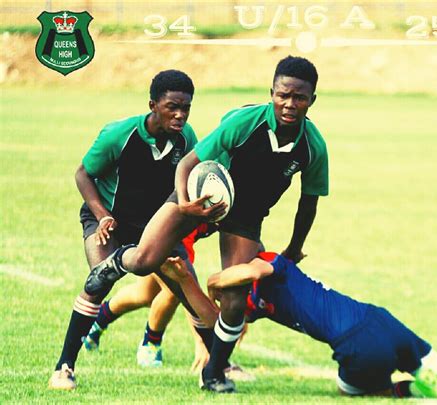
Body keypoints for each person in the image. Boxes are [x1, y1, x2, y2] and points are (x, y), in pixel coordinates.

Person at [84, 55, 329, 392]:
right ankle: (116, 312)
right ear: (271, 93)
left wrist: (294, 247)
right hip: (200, 200)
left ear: (312, 100)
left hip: (244, 217)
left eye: (299, 97)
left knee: (234, 294)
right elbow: (187, 163)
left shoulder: (313, 146)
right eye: (283, 95)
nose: (289, 104)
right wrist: (185, 205)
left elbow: (309, 202)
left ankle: (214, 369)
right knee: (151, 270)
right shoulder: (244, 122)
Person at [49, 69, 217, 390]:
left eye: (185, 108)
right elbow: (83, 173)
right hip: (109, 220)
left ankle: (217, 370)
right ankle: (63, 368)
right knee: (99, 280)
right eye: (172, 107)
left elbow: (189, 181)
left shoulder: (186, 138)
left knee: (186, 287)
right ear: (153, 105)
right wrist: (101, 216)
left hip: (154, 225)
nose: (180, 115)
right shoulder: (119, 134)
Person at [159, 253, 437, 399]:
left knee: (350, 390)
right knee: (431, 362)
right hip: (380, 319)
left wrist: (212, 283)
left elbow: (250, 272)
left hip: (354, 342)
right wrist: (185, 281)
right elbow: (219, 325)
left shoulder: (270, 263)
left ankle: (414, 390)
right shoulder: (253, 302)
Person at [83, 224, 216, 369]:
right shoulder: (186, 219)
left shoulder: (223, 215)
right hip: (155, 237)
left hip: (158, 237)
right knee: (173, 290)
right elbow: (185, 287)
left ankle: (97, 321)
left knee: (144, 293)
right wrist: (202, 342)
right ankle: (151, 343)